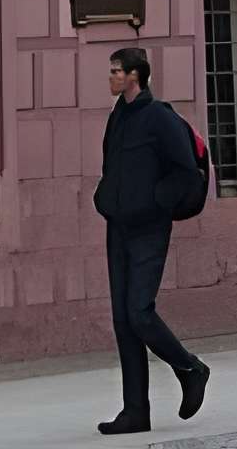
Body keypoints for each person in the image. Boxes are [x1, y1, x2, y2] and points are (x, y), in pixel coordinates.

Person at [93, 45, 210, 435]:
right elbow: (111, 164)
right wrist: (106, 198)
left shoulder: (159, 117)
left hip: (149, 228)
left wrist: (153, 203)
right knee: (123, 320)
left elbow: (185, 173)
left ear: (134, 76)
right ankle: (135, 412)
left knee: (140, 311)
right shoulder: (118, 117)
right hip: (118, 227)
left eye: (115, 71)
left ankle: (190, 368)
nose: (110, 77)